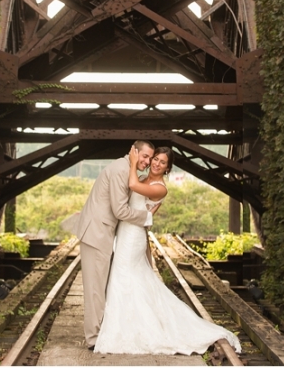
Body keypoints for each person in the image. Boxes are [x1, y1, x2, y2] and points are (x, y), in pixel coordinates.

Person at [94, 146, 242, 355]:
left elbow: (132, 184)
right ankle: (131, 323)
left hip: (133, 236)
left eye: (162, 162)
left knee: (124, 276)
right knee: (127, 278)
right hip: (126, 232)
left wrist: (134, 159)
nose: (156, 163)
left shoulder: (159, 187)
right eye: (155, 159)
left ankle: (133, 329)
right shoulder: (145, 176)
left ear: (167, 168)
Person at [69, 140, 156, 350]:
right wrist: (146, 217)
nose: (147, 161)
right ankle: (93, 338)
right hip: (97, 233)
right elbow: (120, 211)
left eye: (151, 158)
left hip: (102, 232)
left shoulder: (126, 169)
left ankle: (100, 332)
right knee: (95, 289)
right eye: (144, 156)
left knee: (102, 285)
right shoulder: (120, 170)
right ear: (133, 152)